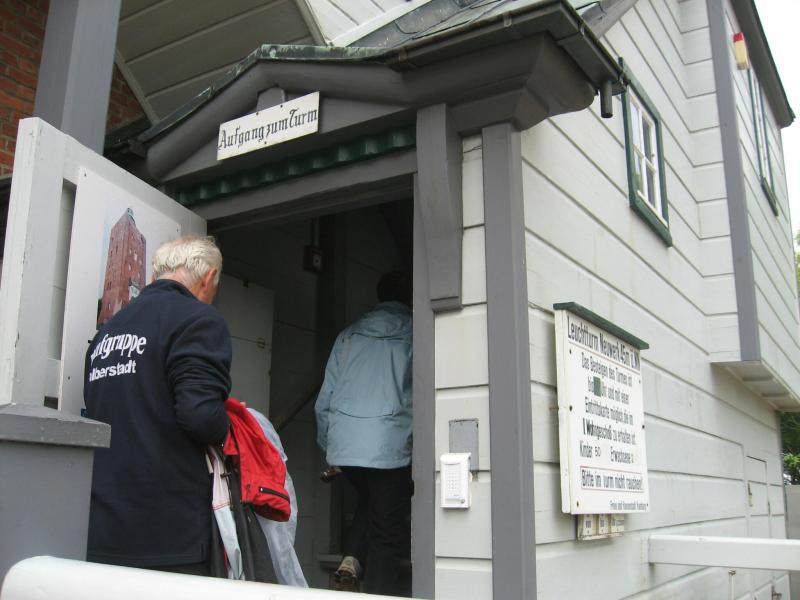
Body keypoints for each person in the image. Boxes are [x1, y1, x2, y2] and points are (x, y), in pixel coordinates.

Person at [84, 234, 232, 575]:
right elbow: (201, 417)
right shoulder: (199, 320)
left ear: (156, 273)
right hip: (169, 535)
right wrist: (231, 423)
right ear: (209, 276)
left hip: (104, 528)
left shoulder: (107, 332)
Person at [315, 271, 413, 596]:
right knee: (386, 531)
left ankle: (352, 558)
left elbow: (324, 400)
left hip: (346, 446)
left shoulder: (348, 335)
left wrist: (330, 448)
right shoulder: (417, 332)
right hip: (390, 445)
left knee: (373, 500)